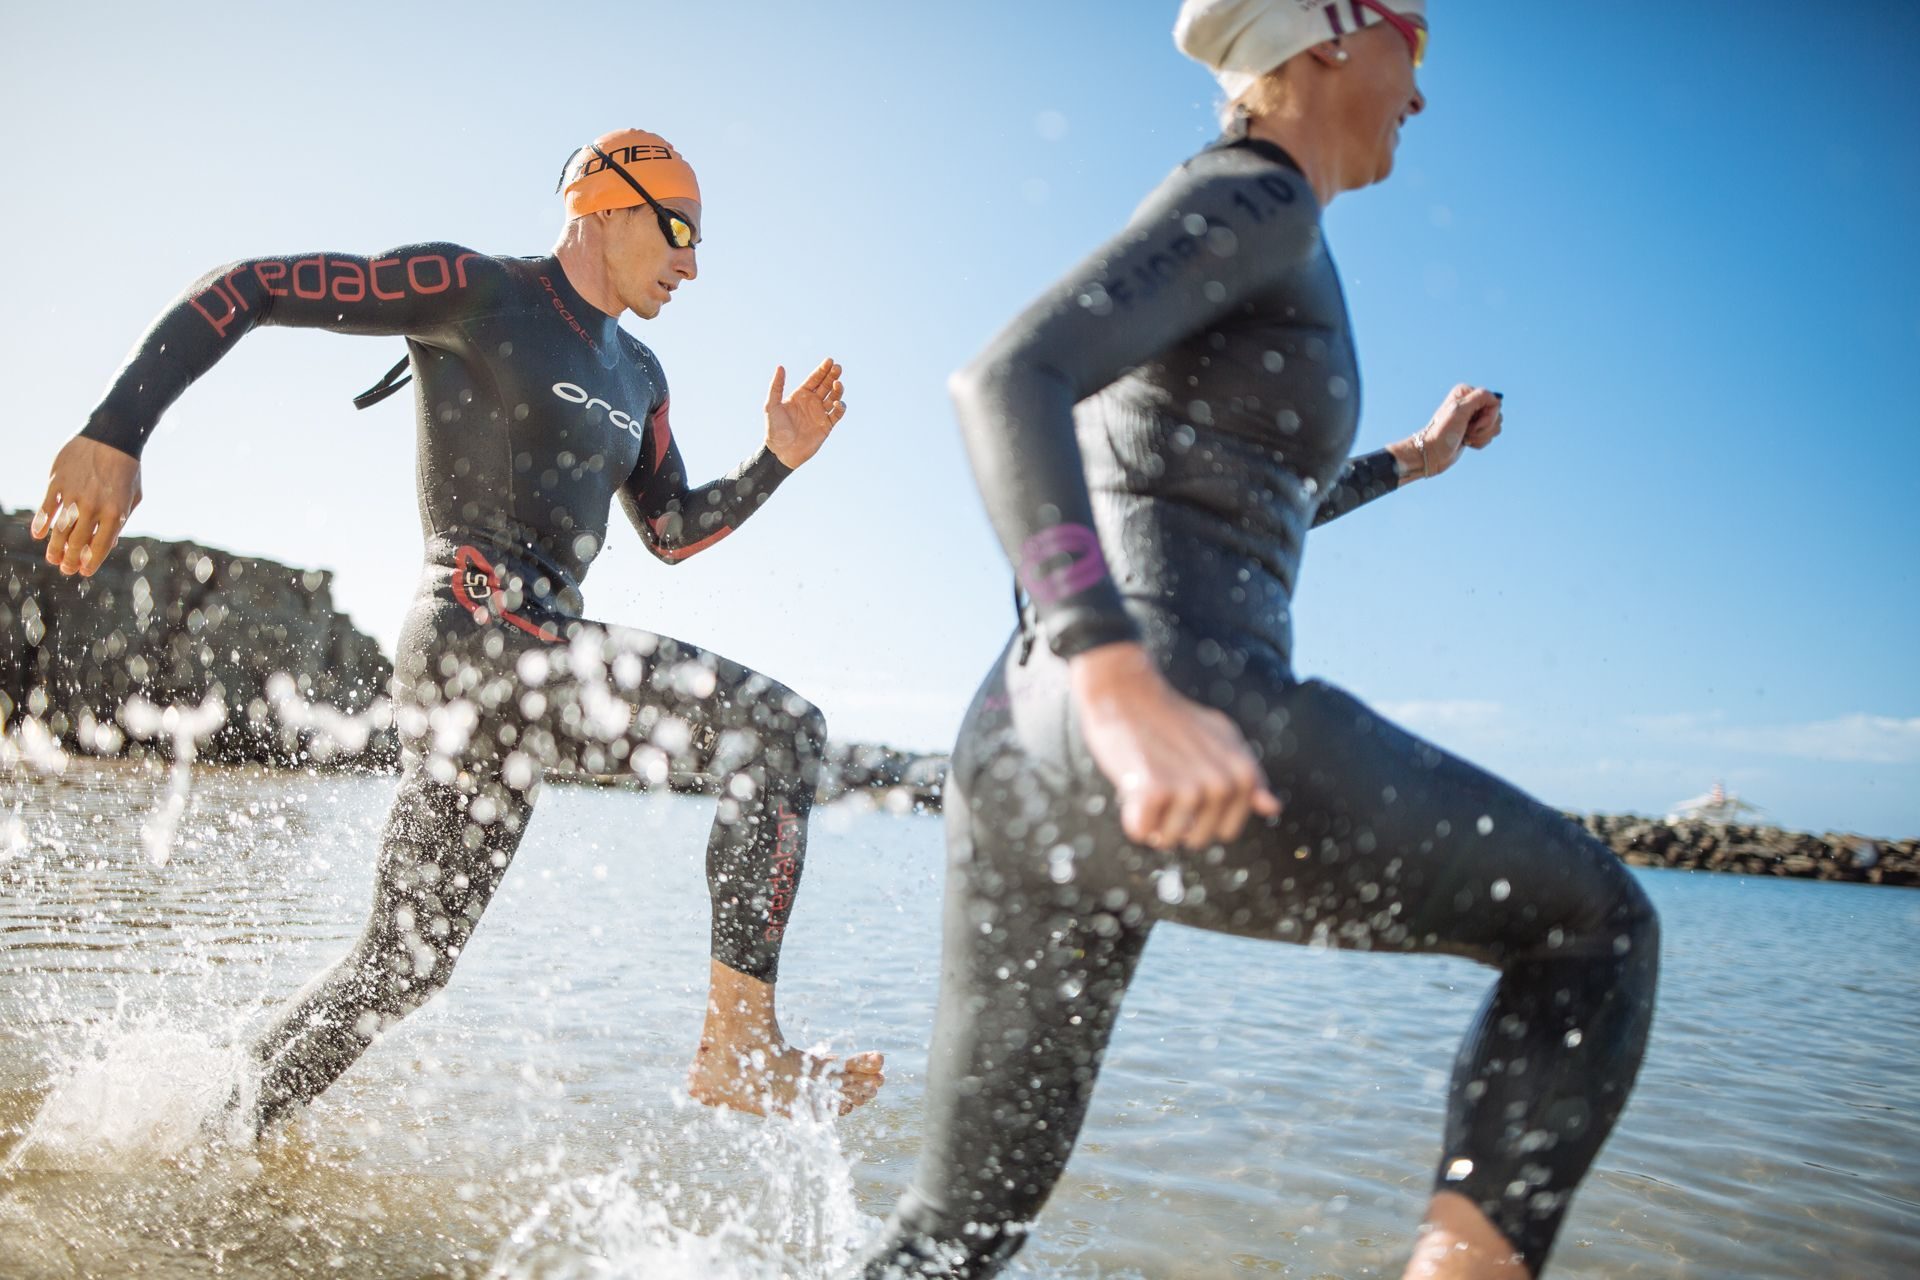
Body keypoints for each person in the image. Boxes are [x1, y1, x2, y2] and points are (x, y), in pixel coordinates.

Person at [856, 4, 1656, 1277]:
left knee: (951, 1236)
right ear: (1330, 35)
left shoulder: (1248, 230)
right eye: (1416, 42)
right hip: (1163, 700)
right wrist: (1114, 671)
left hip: (1020, 756)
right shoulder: (1257, 198)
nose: (1424, 90)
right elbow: (1005, 379)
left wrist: (1414, 461)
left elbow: (1221, 490)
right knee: (1598, 932)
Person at [29, 127, 885, 1128]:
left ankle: (210, 1135)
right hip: (475, 636)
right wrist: (115, 430)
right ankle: (739, 1046)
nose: (692, 262)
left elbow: (672, 531)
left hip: (517, 665)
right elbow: (251, 284)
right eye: (678, 227)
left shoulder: (640, 376)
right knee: (780, 731)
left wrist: (776, 459)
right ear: (603, 205)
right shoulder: (477, 291)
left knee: (404, 963)